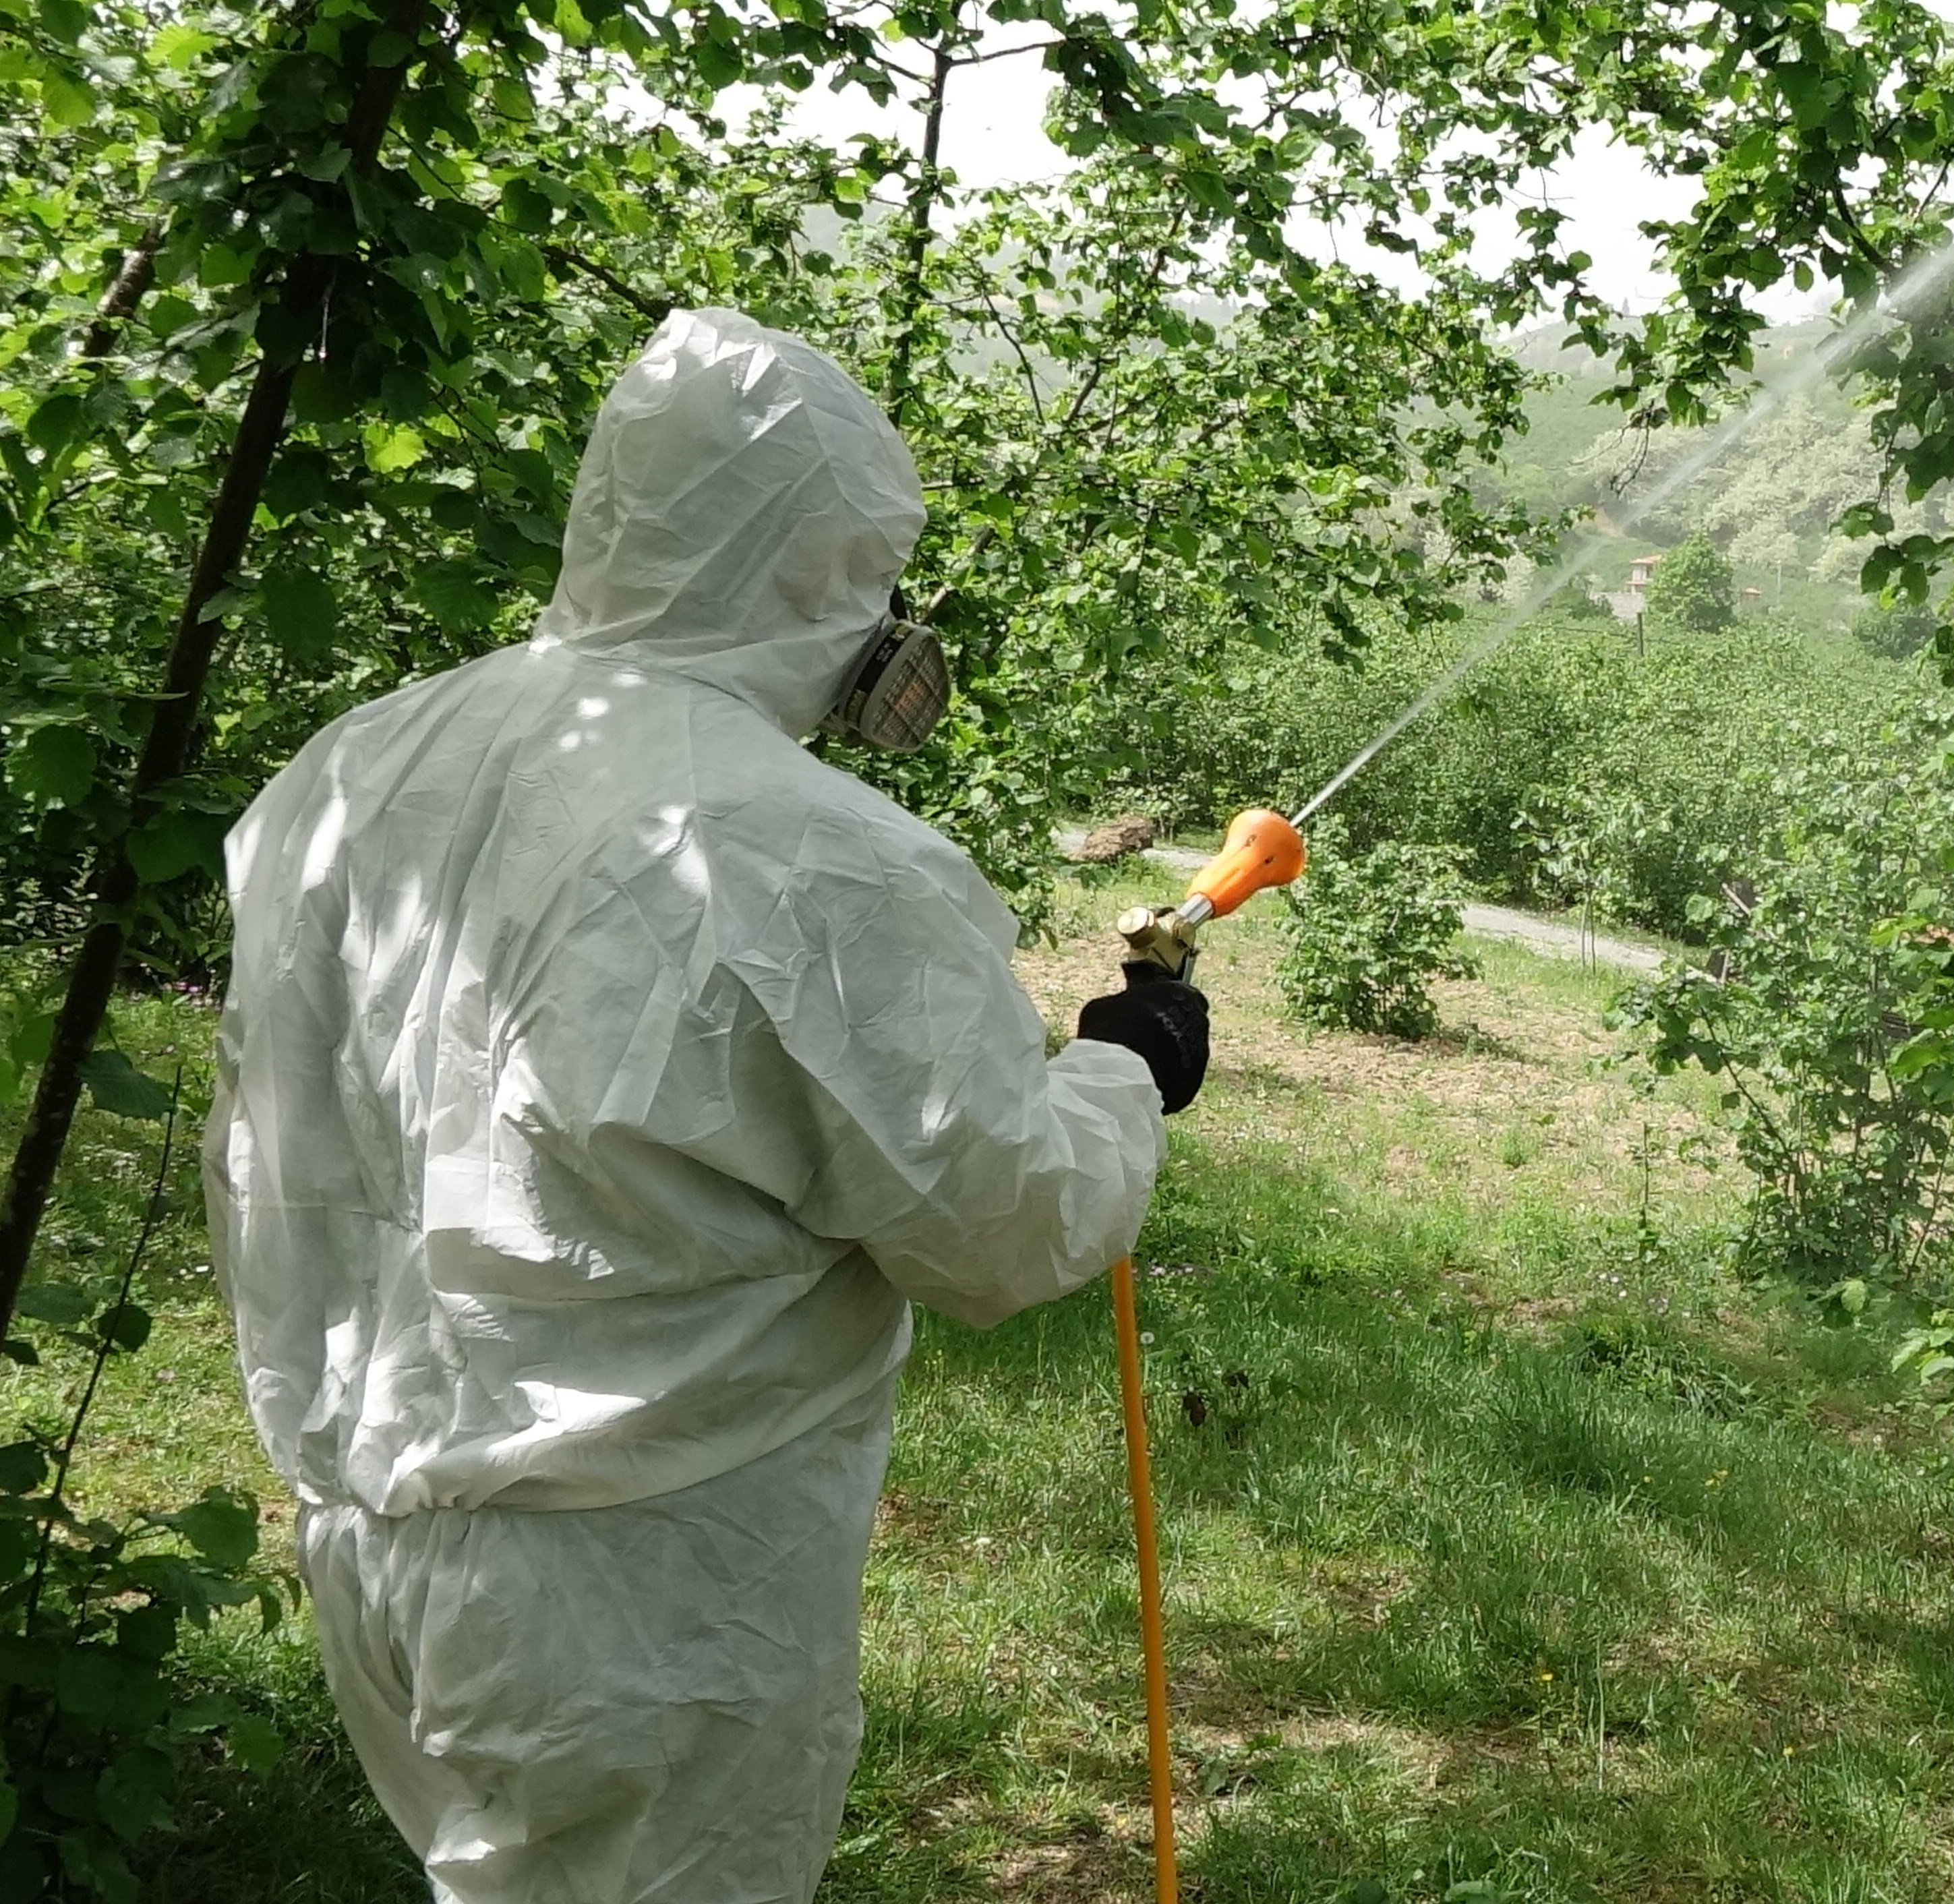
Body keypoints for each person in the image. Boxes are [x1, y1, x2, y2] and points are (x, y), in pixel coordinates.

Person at [204, 307, 1208, 1901]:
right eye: (874, 582)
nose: (889, 632)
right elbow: (1001, 1226)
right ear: (824, 565)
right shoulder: (809, 850)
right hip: (642, 1584)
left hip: (368, 1514)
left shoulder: (354, 768)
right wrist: (1125, 1070)